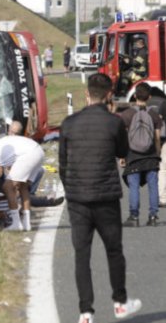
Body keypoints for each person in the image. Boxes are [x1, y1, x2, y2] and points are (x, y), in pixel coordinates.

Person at [60, 73, 141, 323]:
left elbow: (63, 165)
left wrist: (71, 189)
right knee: (114, 250)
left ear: (87, 94)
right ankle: (119, 302)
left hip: (78, 200)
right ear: (109, 95)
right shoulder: (114, 122)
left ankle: (85, 313)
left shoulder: (69, 123)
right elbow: (121, 151)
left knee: (82, 255)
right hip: (106, 197)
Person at [0, 123, 44, 231]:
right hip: (39, 150)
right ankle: (26, 223)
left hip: (29, 154)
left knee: (7, 187)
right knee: (23, 187)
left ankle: (16, 223)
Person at [120, 82, 161, 227]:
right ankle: (153, 217)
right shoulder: (154, 115)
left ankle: (134, 217)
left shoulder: (127, 115)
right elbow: (157, 138)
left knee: (134, 187)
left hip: (133, 156)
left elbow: (124, 138)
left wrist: (123, 156)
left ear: (135, 96)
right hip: (150, 157)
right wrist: (157, 154)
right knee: (153, 186)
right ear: (149, 97)